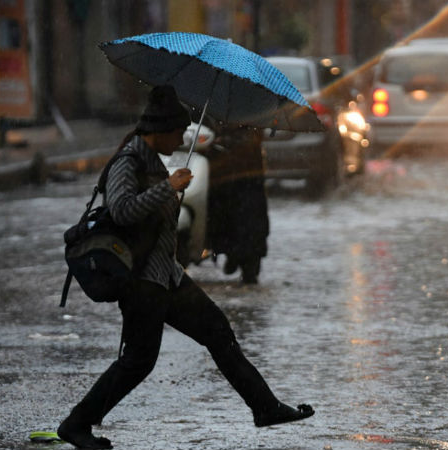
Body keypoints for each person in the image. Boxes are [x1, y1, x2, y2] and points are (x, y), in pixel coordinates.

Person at [57, 85, 314, 450]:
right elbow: (122, 210)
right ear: (160, 129)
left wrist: (168, 191)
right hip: (143, 279)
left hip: (167, 274)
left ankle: (266, 407)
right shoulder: (128, 161)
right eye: (178, 132)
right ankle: (76, 424)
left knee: (218, 333)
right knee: (138, 361)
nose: (181, 140)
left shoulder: (150, 160)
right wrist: (168, 188)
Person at [205, 124, 269, 284]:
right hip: (224, 171)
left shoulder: (251, 109)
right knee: (225, 214)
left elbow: (254, 134)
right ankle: (233, 254)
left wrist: (227, 140)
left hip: (245, 172)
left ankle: (245, 261)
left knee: (248, 218)